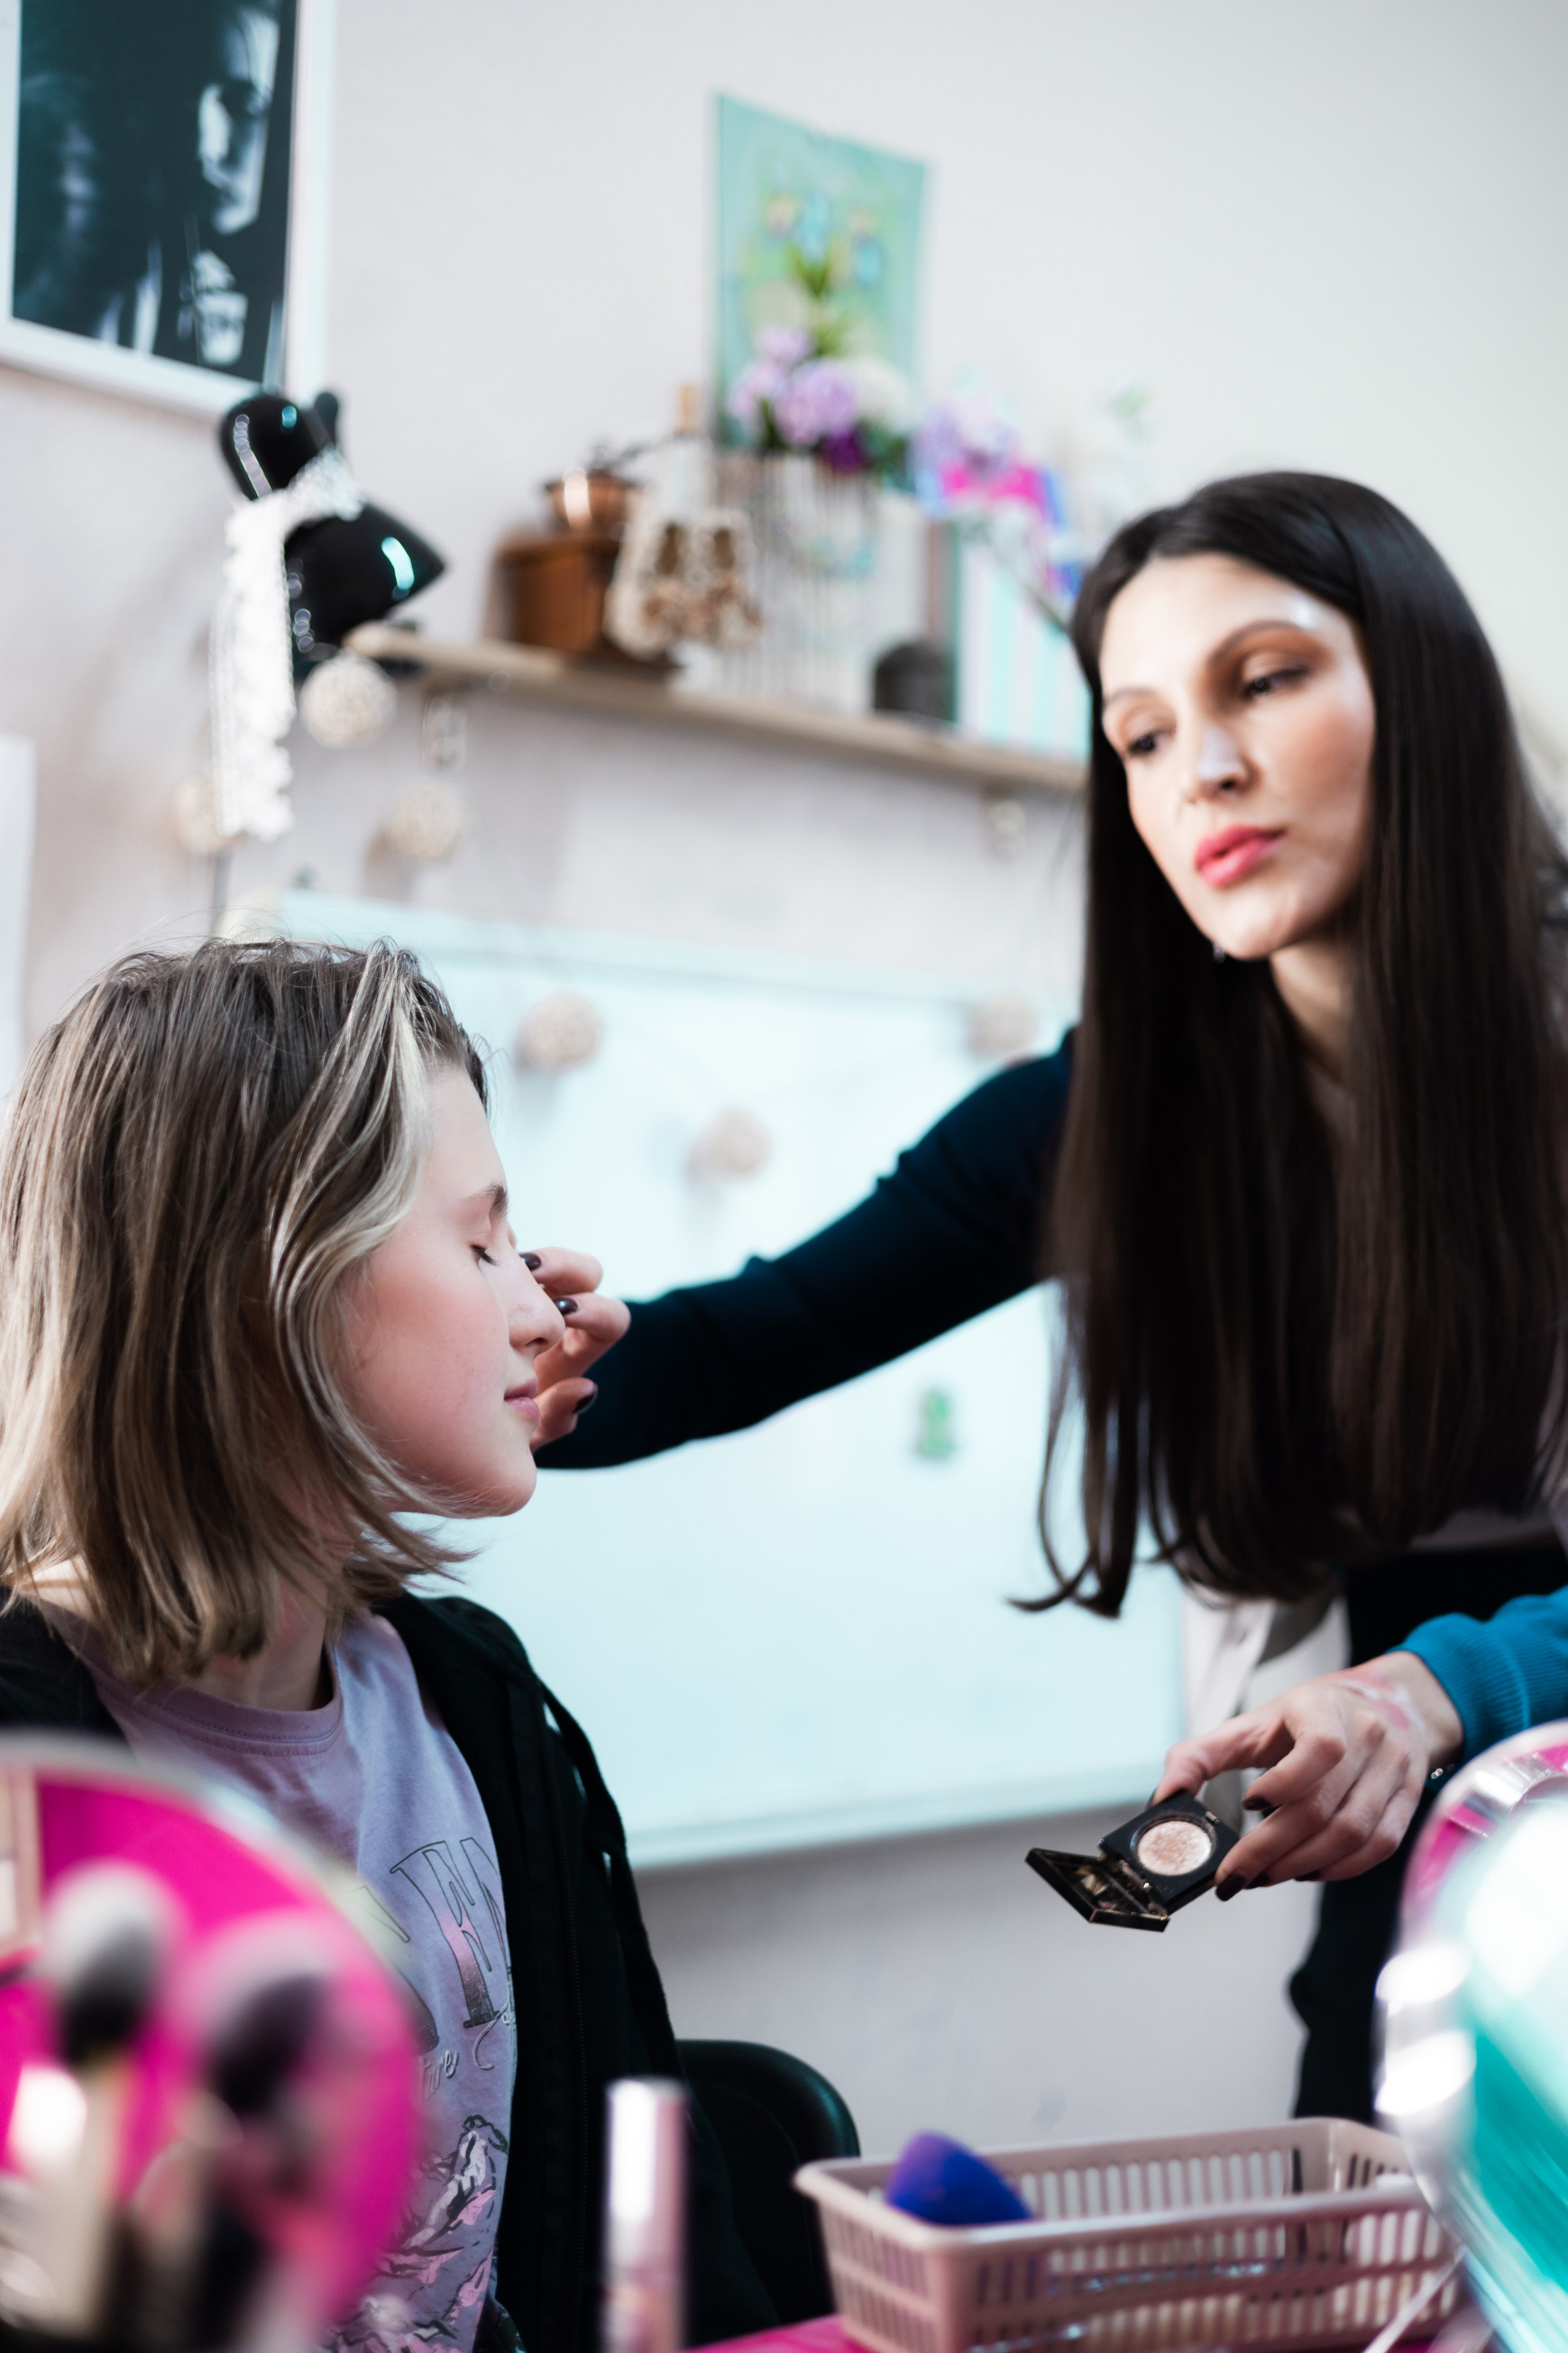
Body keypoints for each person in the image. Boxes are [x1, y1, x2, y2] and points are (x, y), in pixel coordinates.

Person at [541, 472, 1568, 2124]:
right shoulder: (1115, 1115)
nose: (1201, 770)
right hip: (1417, 1897)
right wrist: (501, 1346)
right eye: (1141, 734)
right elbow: (737, 1344)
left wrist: (1444, 1684)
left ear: (1420, 689)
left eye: (1262, 680)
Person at [0, 940, 768, 2353]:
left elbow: (645, 2237)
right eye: (481, 1244)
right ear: (264, 1293)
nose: (546, 1313)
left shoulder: (480, 1708)